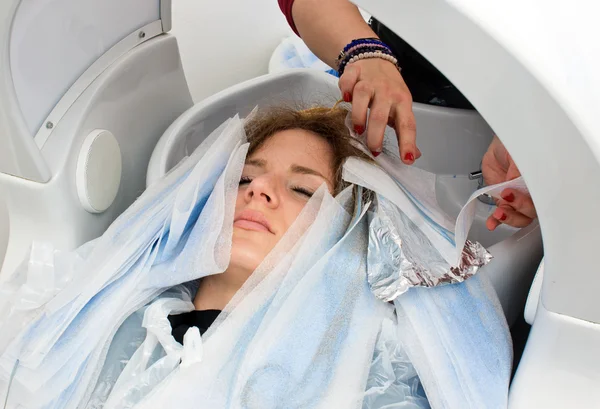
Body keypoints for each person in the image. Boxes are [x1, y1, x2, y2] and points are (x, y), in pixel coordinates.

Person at [277, 0, 537, 231]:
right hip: (380, 76)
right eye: (242, 180)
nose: (258, 192)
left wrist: (531, 126)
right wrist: (364, 54)